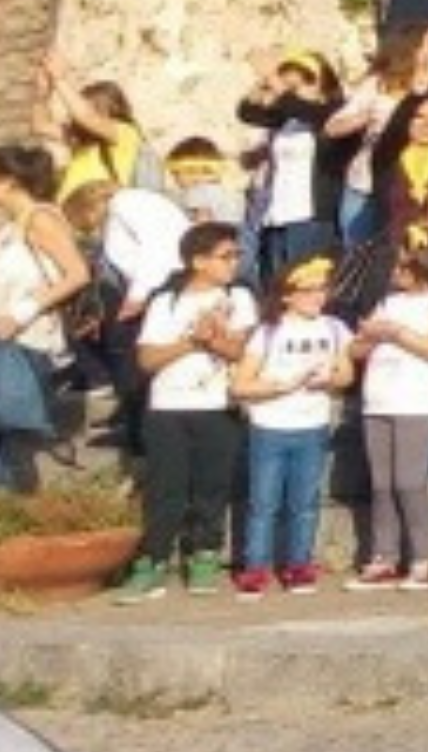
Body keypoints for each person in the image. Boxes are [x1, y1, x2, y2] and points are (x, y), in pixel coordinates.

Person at [116, 220, 252, 598]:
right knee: (166, 488)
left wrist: (216, 341)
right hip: (167, 407)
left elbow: (241, 350)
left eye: (236, 255)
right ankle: (153, 560)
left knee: (211, 486)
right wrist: (191, 342)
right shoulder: (166, 301)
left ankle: (203, 554)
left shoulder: (238, 298)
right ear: (199, 261)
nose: (234, 262)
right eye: (226, 256)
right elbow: (147, 358)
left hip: (215, 404)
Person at [345, 230, 428, 589]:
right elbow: (356, 351)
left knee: (409, 481)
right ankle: (384, 556)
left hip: (417, 399)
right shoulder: (389, 300)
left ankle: (422, 557)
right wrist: (369, 336)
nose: (396, 271)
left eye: (403, 264)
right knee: (382, 484)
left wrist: (395, 333)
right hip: (379, 397)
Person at [0, 141, 86, 493]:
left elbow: (77, 273)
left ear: (10, 182)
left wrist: (22, 313)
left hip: (28, 341)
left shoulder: (41, 219)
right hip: (1, 340)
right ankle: (9, 503)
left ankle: (14, 505)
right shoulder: (8, 231)